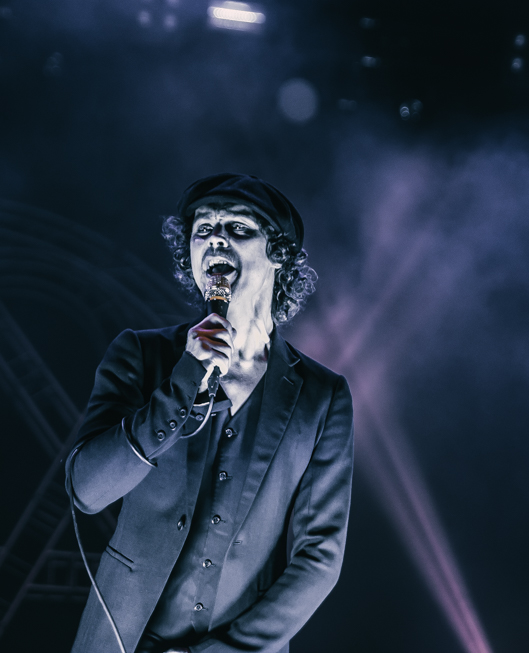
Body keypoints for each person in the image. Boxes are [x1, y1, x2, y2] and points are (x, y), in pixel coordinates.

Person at [65, 173, 353, 653]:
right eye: (203, 230)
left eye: (238, 228)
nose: (216, 239)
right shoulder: (141, 354)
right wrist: (184, 379)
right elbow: (87, 491)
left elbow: (319, 558)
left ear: (279, 254)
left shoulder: (322, 395)